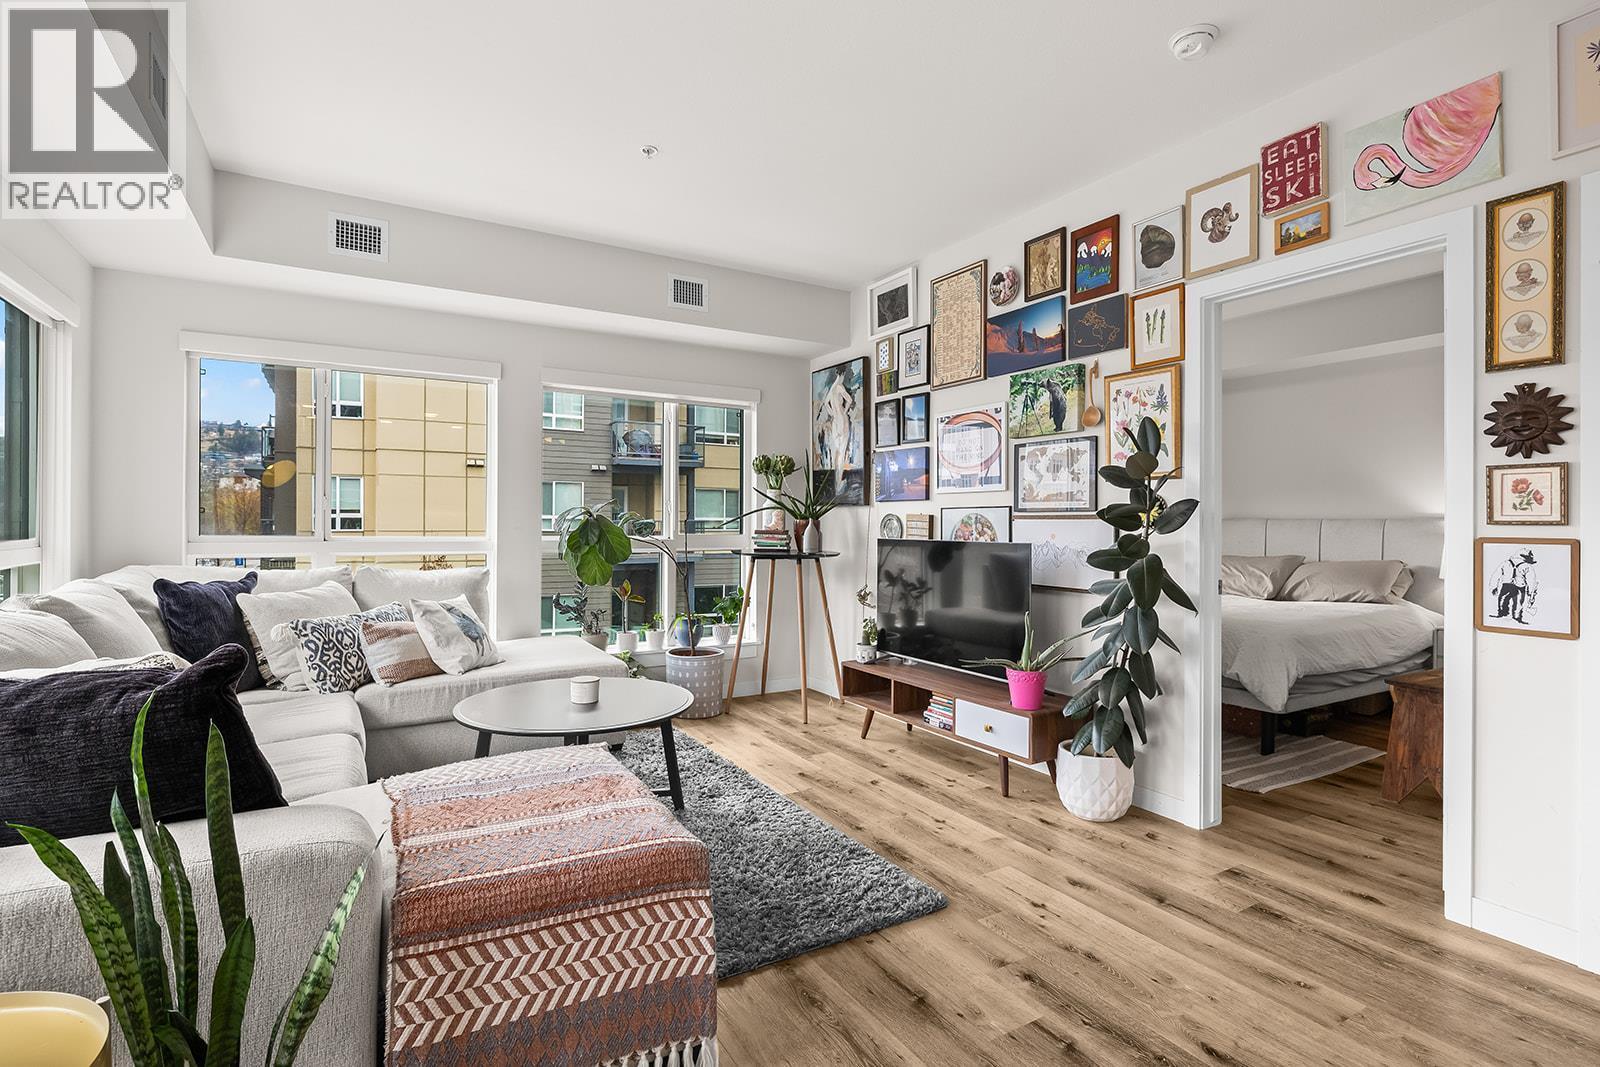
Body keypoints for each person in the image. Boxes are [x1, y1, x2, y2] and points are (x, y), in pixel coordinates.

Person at [1491, 549, 1538, 623]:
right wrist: (1531, 593)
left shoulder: (1506, 563)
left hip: (1506, 584)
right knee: (1518, 603)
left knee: (1502, 598)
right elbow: (1532, 581)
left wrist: (1494, 587)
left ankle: (1502, 613)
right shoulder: (1527, 566)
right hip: (1520, 586)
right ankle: (1517, 617)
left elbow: (1496, 575)